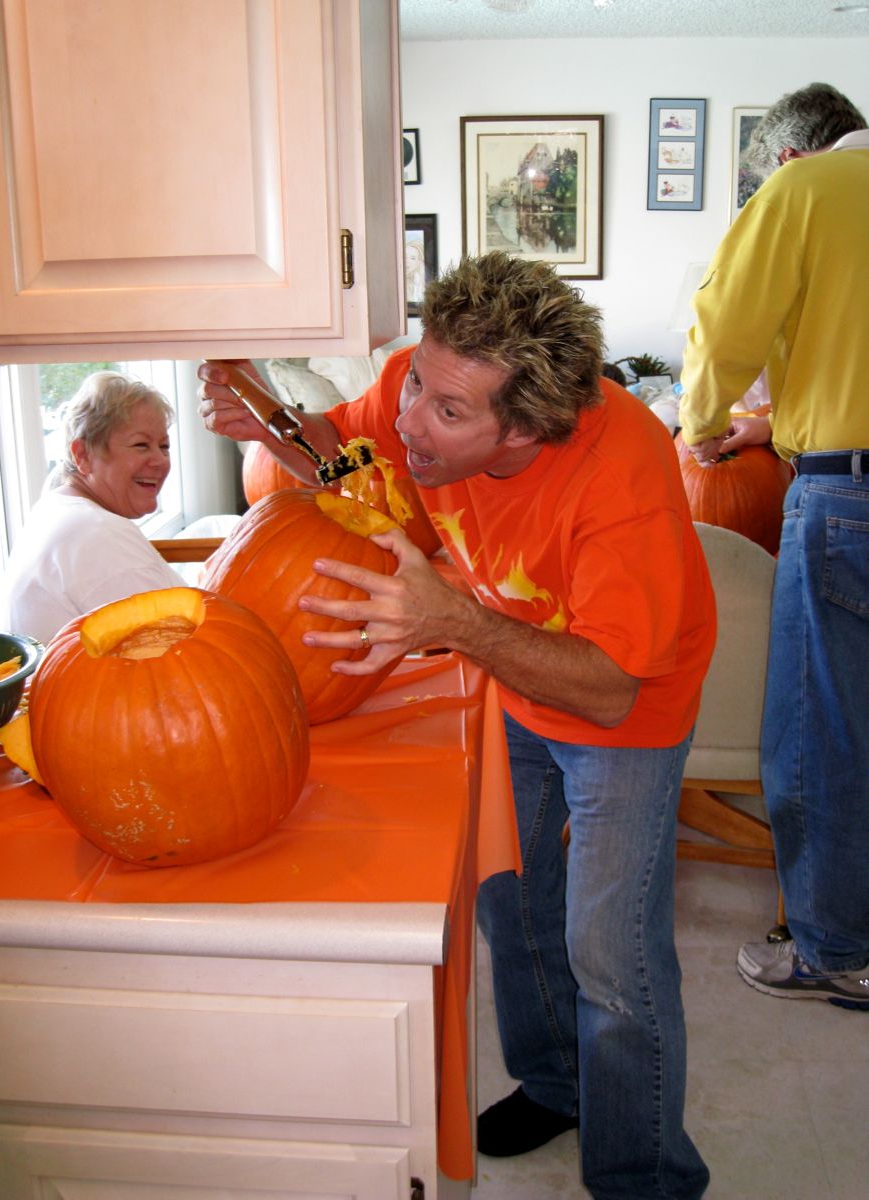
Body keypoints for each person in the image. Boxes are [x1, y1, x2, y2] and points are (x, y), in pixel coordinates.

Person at [199, 251, 715, 1200]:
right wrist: (269, 417)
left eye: (446, 412)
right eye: (416, 386)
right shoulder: (415, 387)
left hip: (626, 706)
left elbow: (607, 688)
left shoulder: (622, 477)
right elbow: (345, 457)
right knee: (509, 899)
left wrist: (455, 624)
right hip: (510, 673)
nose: (407, 419)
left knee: (611, 951)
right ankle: (557, 1084)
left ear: (525, 430)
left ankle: (646, 1177)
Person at [679, 82, 869, 1009]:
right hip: (837, 457)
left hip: (847, 497)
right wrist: (779, 429)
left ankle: (835, 948)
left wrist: (701, 423)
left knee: (823, 732)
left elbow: (725, 325)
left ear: (789, 160)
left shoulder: (805, 192)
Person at [4, 371, 183, 643]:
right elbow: (176, 644)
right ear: (83, 455)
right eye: (141, 445)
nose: (160, 461)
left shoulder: (59, 507)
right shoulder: (98, 534)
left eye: (164, 446)